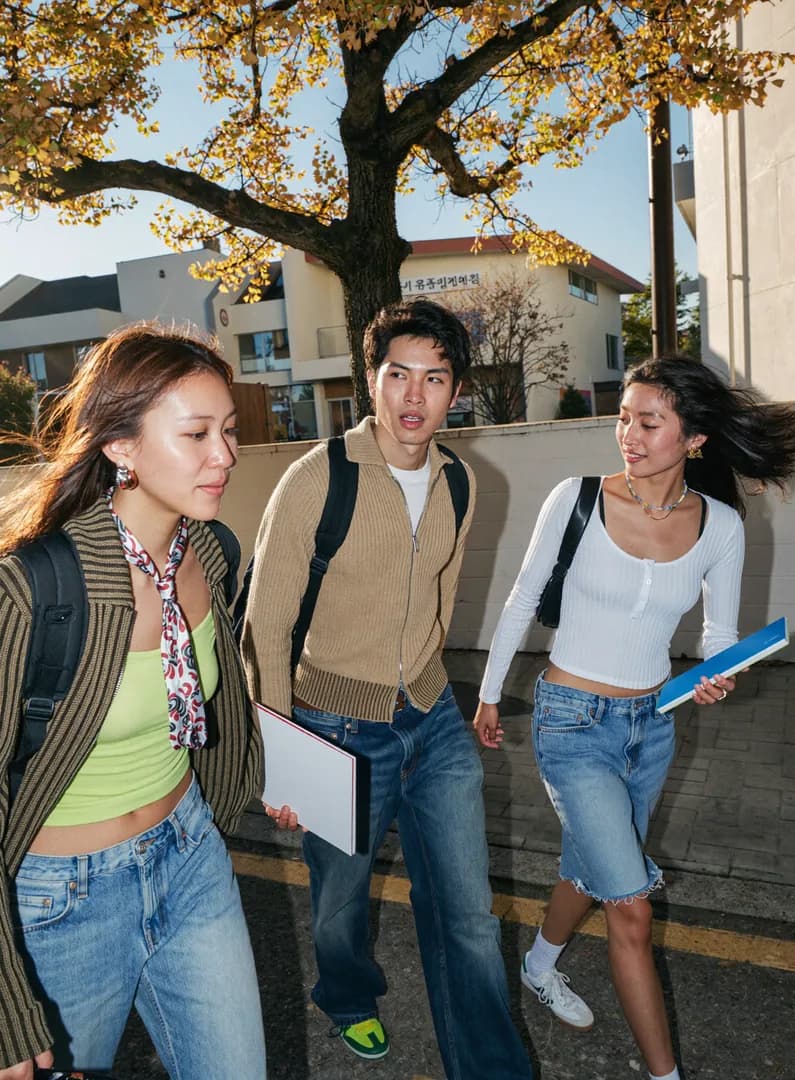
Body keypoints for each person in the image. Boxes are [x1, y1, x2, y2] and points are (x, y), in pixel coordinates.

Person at [473, 356, 795, 1080]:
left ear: (693, 438)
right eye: (624, 416)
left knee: (593, 870)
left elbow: (718, 636)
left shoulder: (720, 525)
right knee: (631, 907)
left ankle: (539, 963)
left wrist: (718, 673)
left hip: (652, 726)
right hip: (569, 721)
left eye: (648, 421)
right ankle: (665, 1076)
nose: (628, 433)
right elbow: (522, 598)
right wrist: (490, 693)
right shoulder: (577, 497)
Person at [241, 299, 534, 1079]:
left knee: (469, 916)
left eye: (434, 378)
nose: (414, 396)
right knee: (340, 901)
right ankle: (345, 996)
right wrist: (281, 750)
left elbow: (440, 595)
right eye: (398, 374)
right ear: (369, 380)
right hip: (337, 725)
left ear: (455, 390)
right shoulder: (316, 479)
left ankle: (492, 1068)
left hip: (433, 722)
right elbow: (265, 626)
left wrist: (440, 686)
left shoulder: (460, 481)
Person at [0, 324, 266, 1079]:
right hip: (60, 902)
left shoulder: (212, 554)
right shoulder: (34, 587)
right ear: (120, 447)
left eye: (230, 431)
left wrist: (251, 781)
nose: (225, 455)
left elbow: (220, 704)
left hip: (189, 858)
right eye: (197, 434)